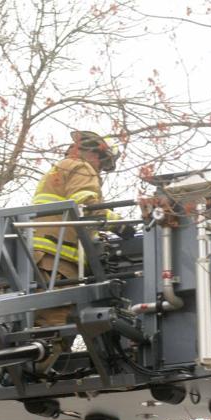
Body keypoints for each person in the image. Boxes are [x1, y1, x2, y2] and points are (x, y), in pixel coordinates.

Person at [31, 130, 120, 327]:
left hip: (42, 255)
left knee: (39, 321)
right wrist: (119, 224)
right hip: (57, 259)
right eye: (102, 162)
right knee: (54, 324)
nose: (100, 169)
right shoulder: (82, 168)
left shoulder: (58, 169)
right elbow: (86, 206)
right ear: (95, 154)